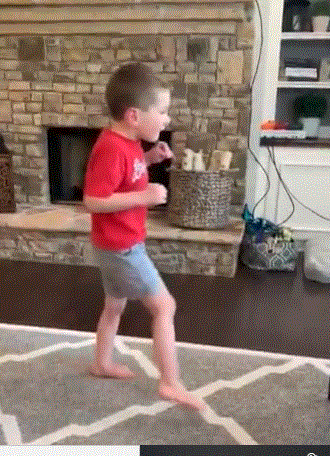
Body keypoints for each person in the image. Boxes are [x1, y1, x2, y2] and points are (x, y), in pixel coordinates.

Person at [82, 62, 206, 410]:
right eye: (162, 111)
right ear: (134, 116)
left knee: (114, 306)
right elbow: (93, 200)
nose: (167, 119)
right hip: (122, 247)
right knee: (165, 306)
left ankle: (101, 363)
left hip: (114, 244)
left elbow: (125, 174)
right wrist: (144, 197)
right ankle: (170, 382)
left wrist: (149, 159)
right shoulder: (110, 147)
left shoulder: (129, 141)